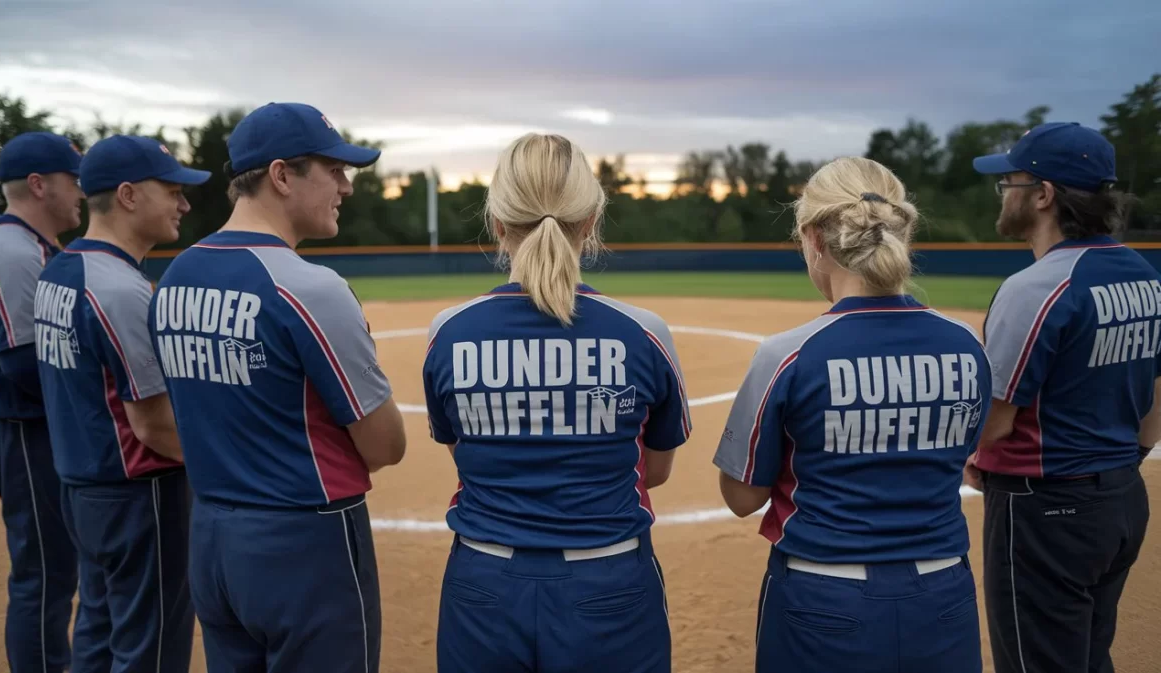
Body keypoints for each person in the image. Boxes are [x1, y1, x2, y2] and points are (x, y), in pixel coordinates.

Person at [149, 101, 406, 673]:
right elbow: (386, 447)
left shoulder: (175, 276)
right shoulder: (310, 287)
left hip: (213, 537)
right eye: (333, 170)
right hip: (305, 543)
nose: (346, 187)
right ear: (282, 175)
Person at [422, 132, 689, 673]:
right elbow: (652, 471)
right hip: (609, 584)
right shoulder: (643, 332)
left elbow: (463, 451)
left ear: (497, 223)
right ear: (591, 221)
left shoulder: (448, 332)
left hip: (484, 586)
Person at [713, 156, 992, 673]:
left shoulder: (788, 354)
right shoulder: (966, 343)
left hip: (825, 597)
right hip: (943, 591)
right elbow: (966, 455)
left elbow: (741, 497)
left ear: (815, 239)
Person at [968, 121, 1155, 673]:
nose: (1003, 193)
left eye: (1011, 181)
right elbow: (1156, 400)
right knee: (1089, 657)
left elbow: (993, 423)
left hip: (1044, 509)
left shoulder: (1036, 287)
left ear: (1044, 195)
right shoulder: (1144, 274)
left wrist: (972, 455)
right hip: (1121, 499)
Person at [33, 134, 209, 672]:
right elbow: (153, 424)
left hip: (83, 485)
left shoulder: (59, 269)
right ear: (129, 195)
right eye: (172, 191)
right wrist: (224, 465)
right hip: (139, 494)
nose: (184, 204)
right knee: (149, 645)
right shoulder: (120, 290)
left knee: (99, 628)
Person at [0, 131, 83, 673]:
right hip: (25, 435)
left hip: (35, 432)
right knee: (44, 576)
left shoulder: (30, 246)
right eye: (74, 179)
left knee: (57, 570)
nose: (82, 191)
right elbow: (24, 364)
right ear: (39, 185)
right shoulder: (11, 251)